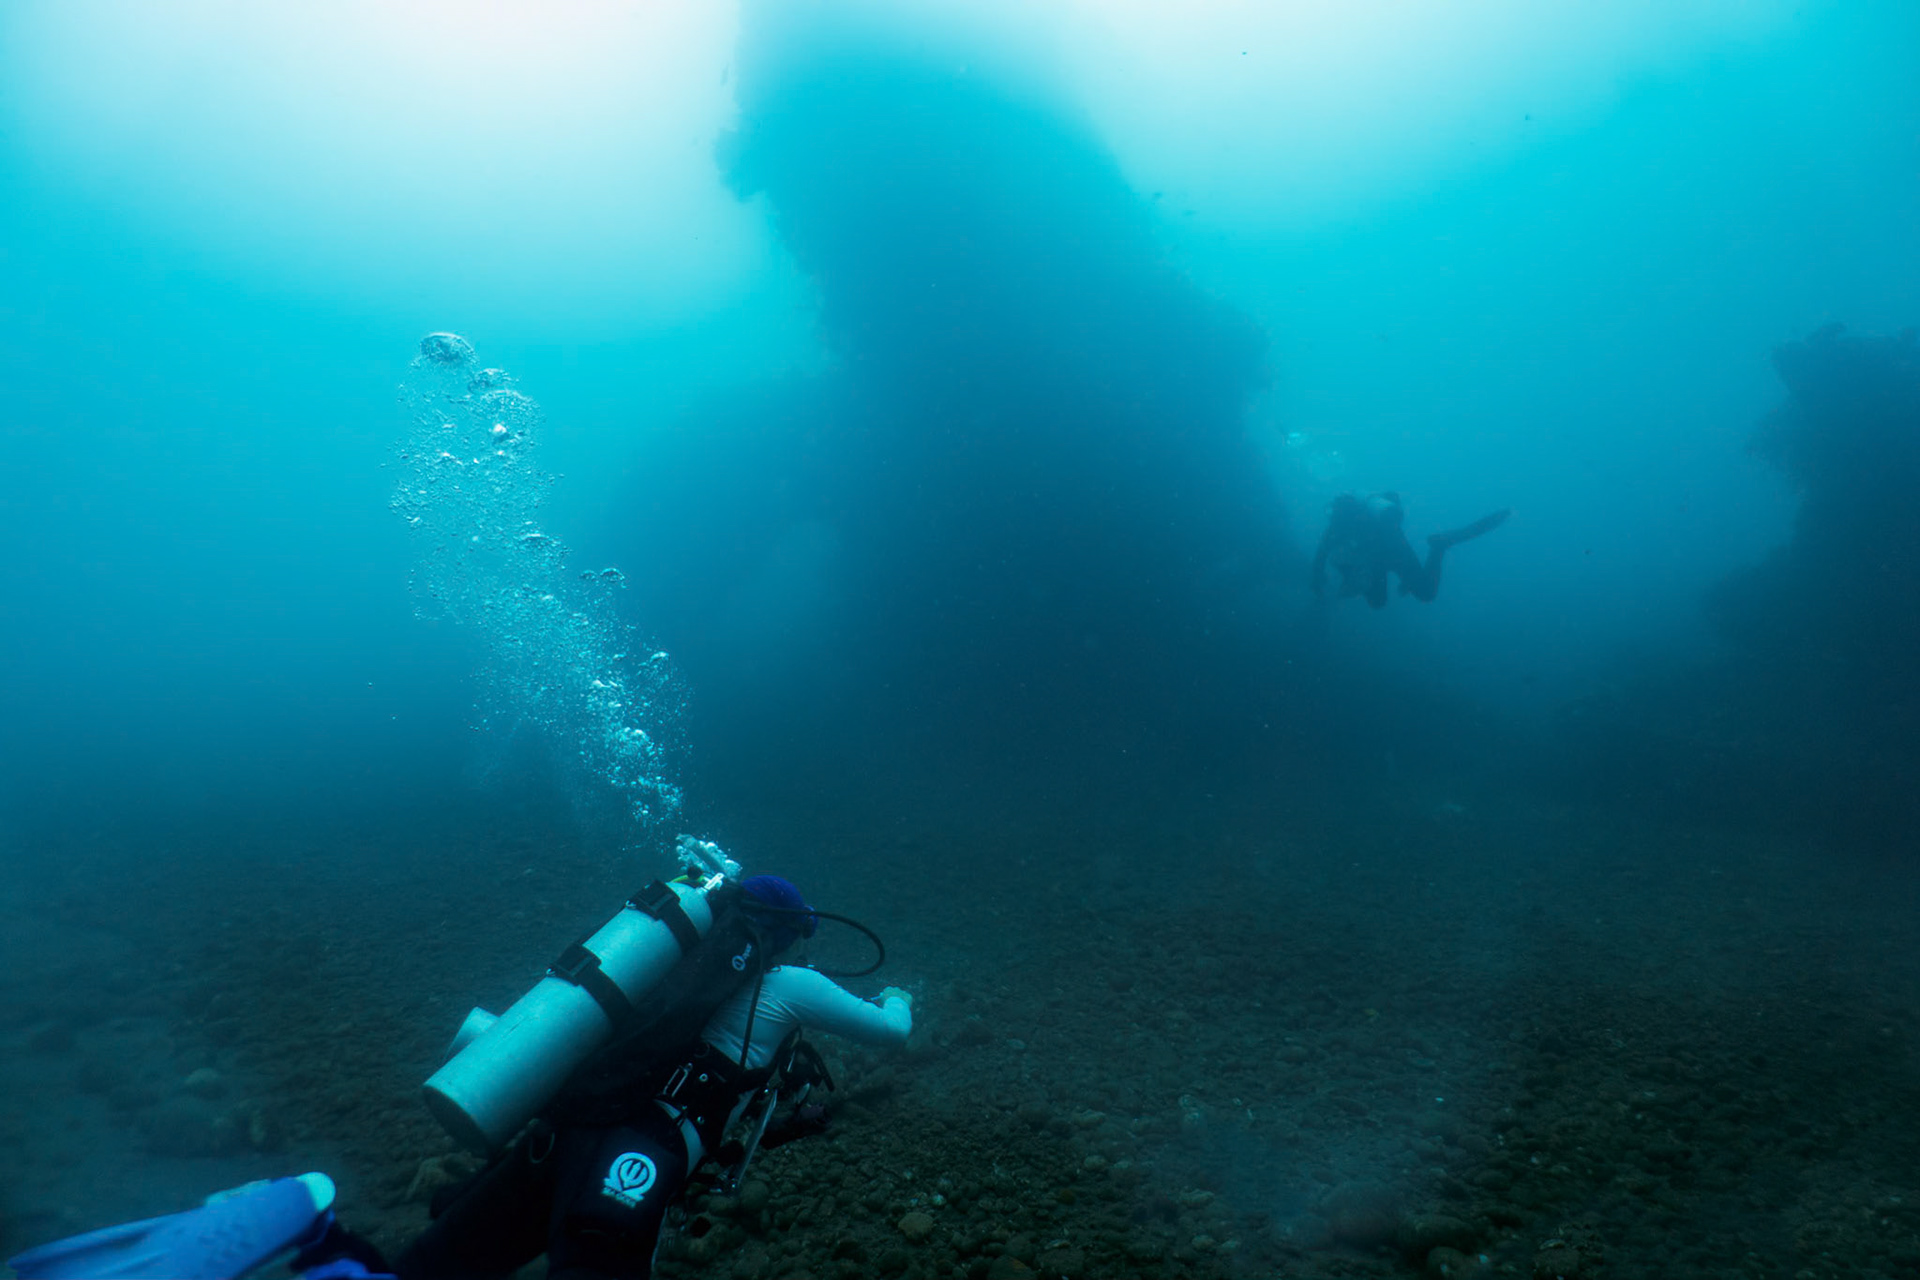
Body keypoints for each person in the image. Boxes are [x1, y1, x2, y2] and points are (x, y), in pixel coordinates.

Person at [313, 874, 914, 1280]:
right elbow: (890, 1032)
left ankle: (322, 1253)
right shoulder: (787, 987)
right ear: (781, 934)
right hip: (633, 1152)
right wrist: (899, 995)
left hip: (566, 1127)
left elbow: (722, 1103)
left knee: (436, 1266)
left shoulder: (669, 968)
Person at [1310, 492, 1509, 608]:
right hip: (1391, 552)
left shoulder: (1334, 530)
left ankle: (1439, 546)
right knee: (1380, 602)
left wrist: (1318, 579)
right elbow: (1323, 558)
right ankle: (1439, 545)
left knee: (1420, 595)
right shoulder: (1344, 527)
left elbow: (1322, 556)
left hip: (1388, 554)